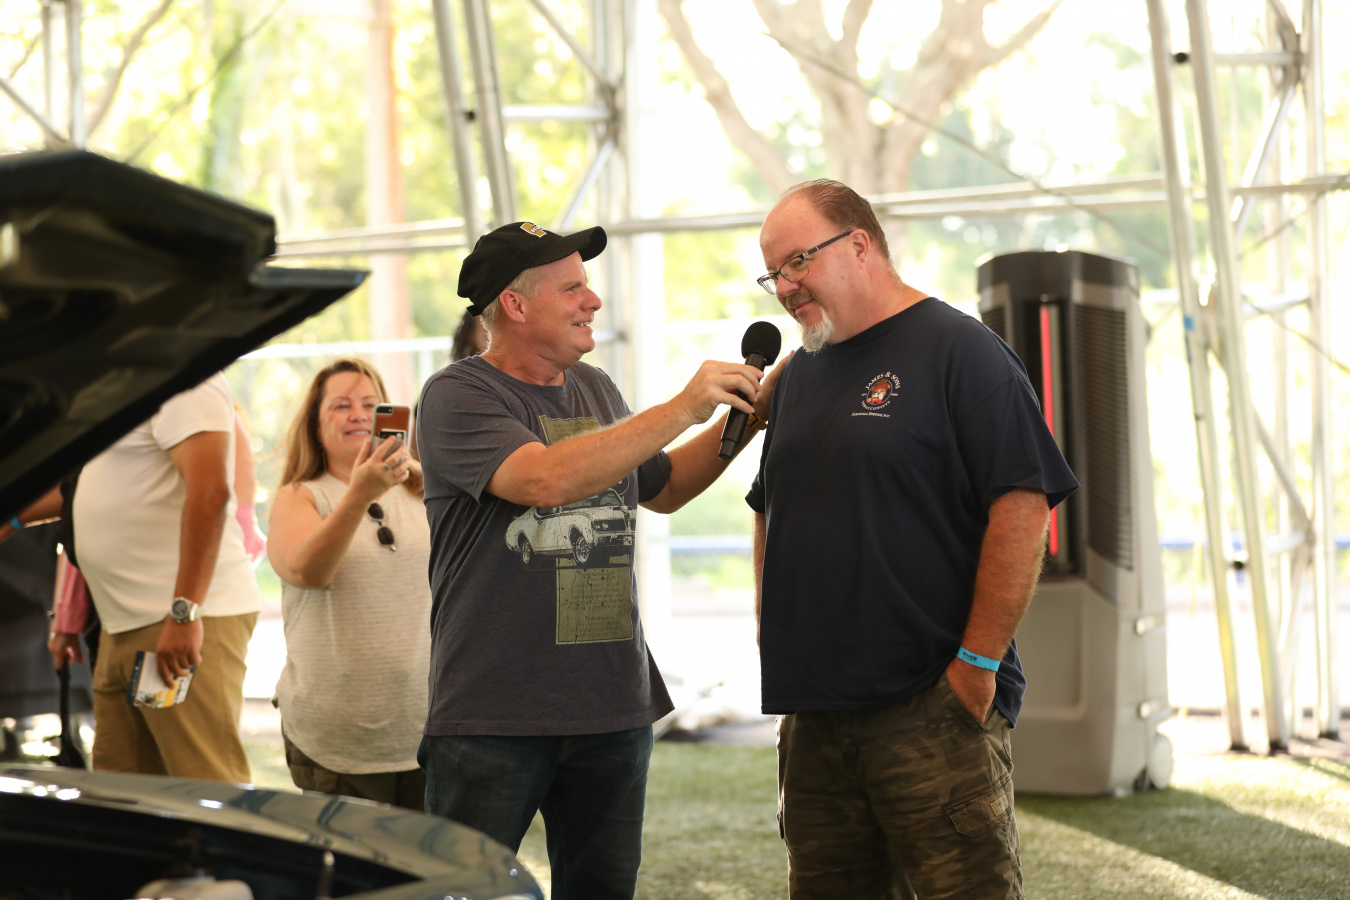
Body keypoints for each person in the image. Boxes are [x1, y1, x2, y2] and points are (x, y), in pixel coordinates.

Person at [415, 221, 775, 899]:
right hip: (494, 715)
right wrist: (683, 406)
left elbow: (665, 487)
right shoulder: (457, 395)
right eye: (572, 287)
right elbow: (543, 479)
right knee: (466, 893)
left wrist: (750, 413)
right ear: (515, 305)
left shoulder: (597, 388)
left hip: (612, 708)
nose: (594, 300)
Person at [747, 180, 1078, 900]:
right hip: (814, 717)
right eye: (774, 273)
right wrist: (771, 629)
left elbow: (1023, 508)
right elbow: (769, 505)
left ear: (859, 245)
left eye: (798, 261)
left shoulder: (961, 351)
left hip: (930, 706)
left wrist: (976, 665)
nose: (786, 286)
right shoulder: (797, 374)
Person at [56, 373, 262, 782]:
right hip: (122, 626)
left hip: (178, 623)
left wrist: (185, 613)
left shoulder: (186, 378)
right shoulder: (119, 385)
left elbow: (210, 493)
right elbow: (88, 488)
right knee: (121, 797)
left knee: (203, 792)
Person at [265, 358, 431, 810]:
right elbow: (308, 572)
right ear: (316, 428)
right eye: (341, 406)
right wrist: (360, 492)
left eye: (370, 404)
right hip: (336, 738)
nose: (358, 415)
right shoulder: (300, 497)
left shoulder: (425, 490)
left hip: (427, 730)